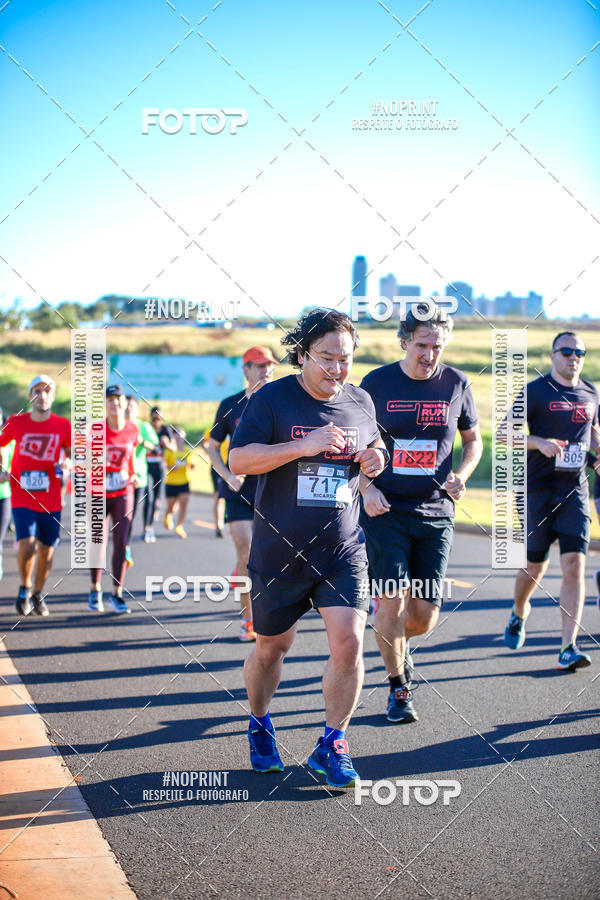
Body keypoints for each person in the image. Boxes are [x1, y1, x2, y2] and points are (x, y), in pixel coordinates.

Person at [229, 309, 387, 787]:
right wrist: (303, 446)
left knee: (350, 644)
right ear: (302, 354)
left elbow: (373, 446)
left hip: (342, 549)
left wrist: (376, 458)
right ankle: (259, 723)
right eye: (327, 358)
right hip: (280, 551)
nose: (337, 369)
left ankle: (332, 743)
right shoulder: (272, 399)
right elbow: (240, 459)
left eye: (346, 359)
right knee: (271, 649)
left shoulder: (360, 401)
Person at [359, 304, 482, 724]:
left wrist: (463, 474)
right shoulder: (376, 383)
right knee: (391, 600)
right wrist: (366, 487)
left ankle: (391, 640)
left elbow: (473, 441)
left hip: (435, 512)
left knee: (424, 618)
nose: (430, 354)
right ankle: (398, 689)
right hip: (386, 509)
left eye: (438, 346)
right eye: (423, 345)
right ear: (404, 341)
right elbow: (349, 445)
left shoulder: (456, 383)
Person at [503, 332, 599, 670]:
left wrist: (598, 452)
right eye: (567, 351)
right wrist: (539, 442)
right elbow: (505, 432)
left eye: (580, 353)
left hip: (574, 491)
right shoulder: (536, 390)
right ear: (553, 355)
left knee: (575, 565)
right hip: (536, 491)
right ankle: (518, 612)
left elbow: (593, 431)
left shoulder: (591, 391)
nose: (574, 357)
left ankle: (567, 647)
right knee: (534, 567)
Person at [206, 346, 278, 642]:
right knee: (247, 552)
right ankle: (249, 621)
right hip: (238, 492)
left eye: (269, 365)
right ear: (245, 370)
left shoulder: (280, 402)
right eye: (259, 366)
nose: (266, 371)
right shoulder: (229, 404)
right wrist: (227, 475)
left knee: (271, 558)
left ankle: (269, 610)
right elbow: (211, 445)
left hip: (273, 492)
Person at [0, 375, 71, 616]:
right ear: (30, 396)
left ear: (53, 396)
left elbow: (71, 453)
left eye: (47, 391)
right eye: (37, 391)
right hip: (22, 495)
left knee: (47, 550)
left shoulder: (62, 425)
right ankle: (24, 587)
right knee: (28, 544)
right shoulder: (16, 422)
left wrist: (68, 463)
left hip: (51, 498)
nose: (42, 395)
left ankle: (38, 593)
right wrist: (3, 469)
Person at [88, 385, 139, 614]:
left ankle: (117, 593)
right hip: (98, 491)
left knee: (121, 541)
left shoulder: (132, 429)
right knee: (98, 542)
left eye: (117, 399)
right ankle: (95, 589)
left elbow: (131, 459)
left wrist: (134, 473)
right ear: (105, 404)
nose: (114, 403)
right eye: (110, 400)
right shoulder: (95, 430)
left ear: (123, 403)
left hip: (122, 491)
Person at [124, 396, 159, 551]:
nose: (128, 408)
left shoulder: (143, 426)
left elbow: (157, 449)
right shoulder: (115, 425)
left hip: (138, 477)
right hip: (118, 477)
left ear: (137, 409)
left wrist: (142, 441)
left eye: (132, 406)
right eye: (126, 405)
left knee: (131, 514)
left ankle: (126, 547)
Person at [163, 427, 194, 538]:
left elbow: (191, 464)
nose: (179, 438)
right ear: (174, 437)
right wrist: (171, 467)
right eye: (177, 436)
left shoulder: (187, 451)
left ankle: (179, 527)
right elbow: (164, 464)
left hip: (184, 482)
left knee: (184, 503)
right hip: (171, 482)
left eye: (181, 436)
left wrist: (192, 466)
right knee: (171, 506)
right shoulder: (170, 450)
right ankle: (168, 515)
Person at [201, 428, 227, 538]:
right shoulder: (213, 428)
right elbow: (203, 442)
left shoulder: (235, 424)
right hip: (217, 467)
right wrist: (210, 453)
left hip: (232, 467)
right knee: (219, 497)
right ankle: (219, 527)